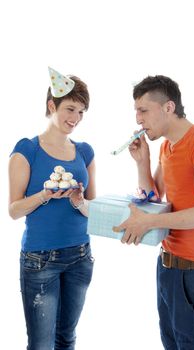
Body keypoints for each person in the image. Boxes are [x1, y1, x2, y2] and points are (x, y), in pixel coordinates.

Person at [113, 75, 194, 350]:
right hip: (167, 267)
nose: (138, 120)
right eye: (136, 112)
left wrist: (149, 222)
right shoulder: (166, 147)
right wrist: (143, 163)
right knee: (171, 343)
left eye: (143, 110)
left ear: (168, 108)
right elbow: (154, 199)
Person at [8, 67, 96, 350]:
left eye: (81, 112)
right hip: (40, 260)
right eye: (70, 109)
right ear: (51, 105)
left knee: (66, 338)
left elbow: (94, 208)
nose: (76, 118)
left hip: (81, 256)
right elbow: (14, 210)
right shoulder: (27, 151)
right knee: (41, 344)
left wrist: (79, 202)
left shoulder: (85, 152)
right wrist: (45, 194)